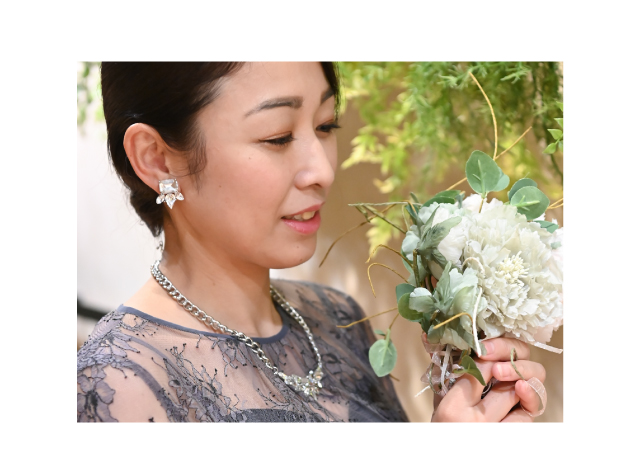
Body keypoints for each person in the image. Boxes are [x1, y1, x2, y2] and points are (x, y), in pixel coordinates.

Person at [77, 62, 546, 422]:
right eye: (278, 137)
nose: (322, 170)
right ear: (157, 159)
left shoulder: (340, 320)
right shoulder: (115, 382)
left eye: (325, 126)